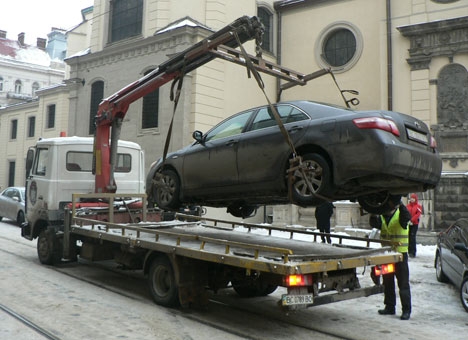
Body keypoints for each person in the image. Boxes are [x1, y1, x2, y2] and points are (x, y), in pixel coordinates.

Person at [369, 196, 412, 320]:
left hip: (400, 256)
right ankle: (389, 307)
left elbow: (407, 216)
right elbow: (373, 223)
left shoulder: (401, 214)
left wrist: (399, 203)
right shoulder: (382, 216)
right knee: (388, 281)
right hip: (387, 255)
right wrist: (372, 210)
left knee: (403, 283)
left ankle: (406, 310)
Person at [406, 193, 423, 258]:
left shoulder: (418, 206)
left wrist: (412, 220)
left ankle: (413, 252)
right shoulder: (408, 206)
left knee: (412, 237)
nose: (412, 199)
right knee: (408, 237)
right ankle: (409, 251)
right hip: (409, 223)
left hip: (414, 223)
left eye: (413, 198)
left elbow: (418, 214)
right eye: (411, 198)